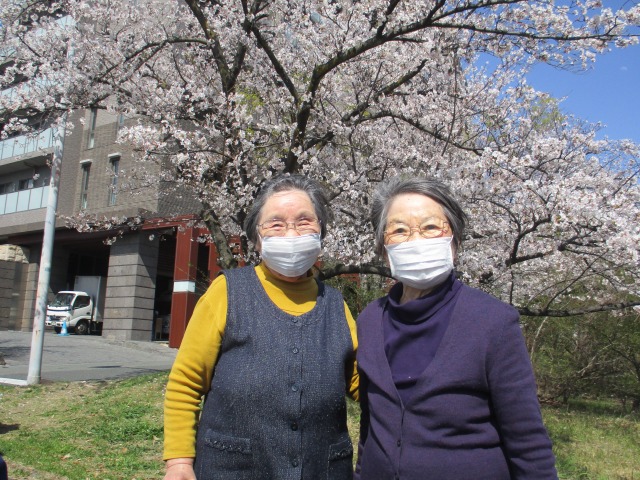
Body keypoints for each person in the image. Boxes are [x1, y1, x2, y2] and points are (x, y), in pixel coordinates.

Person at [355, 176, 558, 480]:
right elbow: (370, 426)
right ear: (383, 250)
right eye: (399, 230)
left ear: (455, 241)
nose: (415, 240)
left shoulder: (493, 322)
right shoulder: (370, 320)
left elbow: (528, 442)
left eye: (430, 227)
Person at [163, 174, 358, 480]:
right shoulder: (226, 292)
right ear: (256, 238)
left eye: (304, 221)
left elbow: (364, 383)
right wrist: (178, 462)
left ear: (321, 232)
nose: (291, 233)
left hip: (323, 469)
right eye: (276, 224)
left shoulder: (335, 304)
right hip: (233, 469)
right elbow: (186, 383)